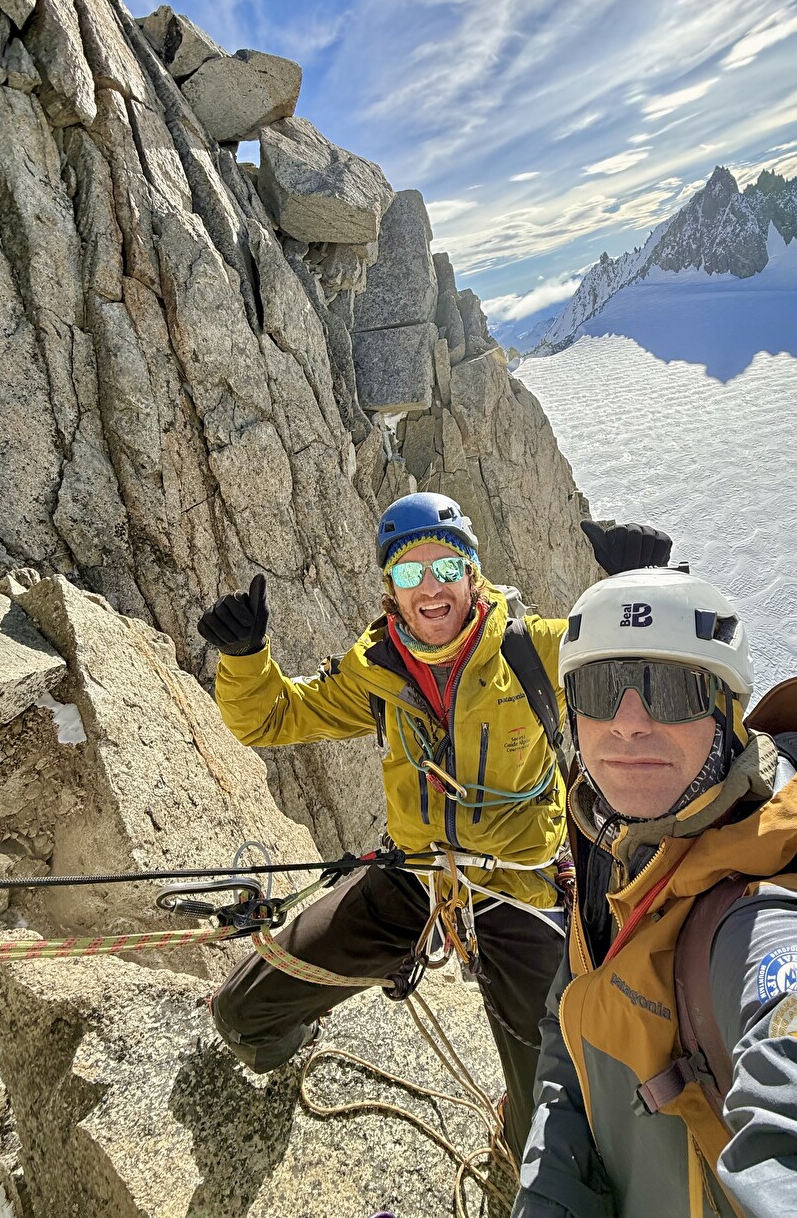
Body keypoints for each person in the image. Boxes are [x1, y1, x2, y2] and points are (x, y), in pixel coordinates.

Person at [515, 564, 797, 1217]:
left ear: (727, 711)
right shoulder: (618, 844)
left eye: (669, 689)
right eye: (599, 688)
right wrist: (552, 1185)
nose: (627, 722)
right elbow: (573, 1014)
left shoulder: (780, 926)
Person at [196, 491, 573, 1157]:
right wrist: (246, 657)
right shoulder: (377, 671)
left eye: (446, 569)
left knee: (546, 1123)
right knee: (243, 1015)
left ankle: (519, 1139)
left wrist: (645, 587)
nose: (430, 589)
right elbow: (270, 717)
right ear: (389, 590)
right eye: (408, 574)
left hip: (517, 892)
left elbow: (634, 667)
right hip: (413, 876)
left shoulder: (534, 651)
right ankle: (293, 1039)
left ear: (473, 575)